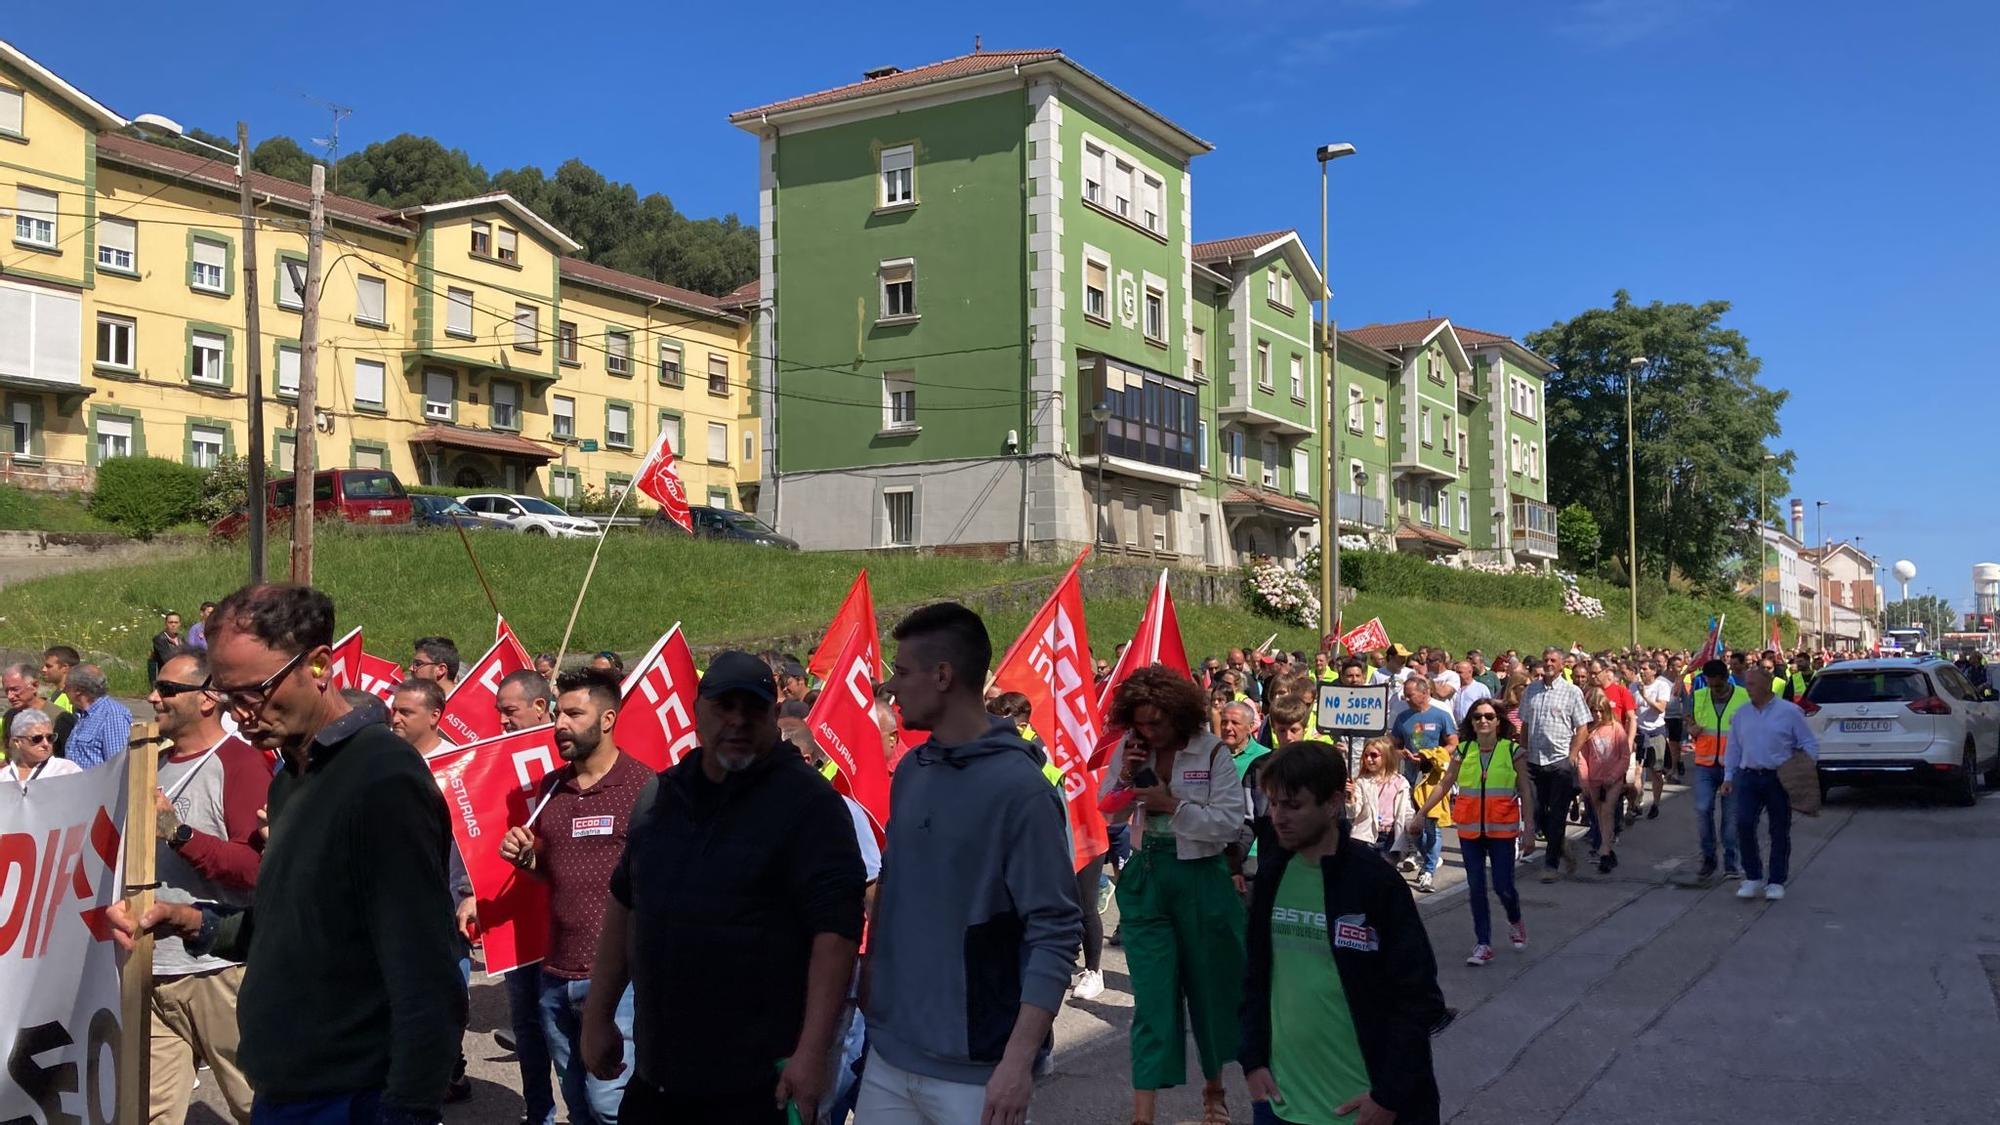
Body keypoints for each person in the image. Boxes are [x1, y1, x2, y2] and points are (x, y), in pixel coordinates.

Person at [109, 582, 465, 1124]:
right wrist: (191, 921)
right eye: (227, 695)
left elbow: (425, 970)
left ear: (319, 665)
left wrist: (409, 1107)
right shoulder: (293, 776)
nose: (240, 712)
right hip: (286, 1087)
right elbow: (294, 928)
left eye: (254, 691)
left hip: (353, 1096)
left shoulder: (382, 780)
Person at [582, 652, 864, 1124]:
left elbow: (836, 936)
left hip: (757, 1087)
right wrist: (598, 1014)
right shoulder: (661, 796)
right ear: (697, 712)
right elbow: (625, 904)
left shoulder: (810, 806)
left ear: (774, 715)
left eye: (751, 708)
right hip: (659, 1079)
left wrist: (813, 1054)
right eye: (723, 706)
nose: (736, 720)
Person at [858, 603, 1083, 1124]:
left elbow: (1054, 929)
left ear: (942, 676)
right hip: (890, 1057)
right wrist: (873, 978)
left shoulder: (1022, 791)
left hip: (979, 1071)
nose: (892, 686)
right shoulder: (912, 770)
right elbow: (894, 883)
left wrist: (1018, 1061)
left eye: (903, 671)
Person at [1241, 742, 1446, 1125]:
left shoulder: (1375, 881)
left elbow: (1418, 997)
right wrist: (1252, 1059)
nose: (1278, 817)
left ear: (1333, 804)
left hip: (1364, 1108)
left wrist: (1388, 1096)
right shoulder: (1271, 875)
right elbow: (1253, 976)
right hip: (1282, 1104)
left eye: (1293, 805)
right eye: (1274, 804)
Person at [499, 669, 649, 1124]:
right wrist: (528, 861)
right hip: (555, 974)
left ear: (607, 719)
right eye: (558, 712)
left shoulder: (645, 788)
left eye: (573, 713)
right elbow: (557, 872)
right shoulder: (551, 789)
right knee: (579, 1103)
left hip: (620, 979)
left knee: (611, 1106)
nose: (559, 723)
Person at [1100, 666, 1248, 1125]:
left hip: (1201, 877)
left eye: (1157, 722)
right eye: (1140, 722)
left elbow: (1228, 825)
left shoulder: (1213, 751)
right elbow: (1108, 815)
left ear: (1180, 715)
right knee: (1153, 999)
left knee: (1208, 989)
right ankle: (1142, 1115)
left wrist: (1172, 806)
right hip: (1146, 878)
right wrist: (1124, 780)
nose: (1148, 731)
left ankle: (1214, 1089)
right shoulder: (1131, 749)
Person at [145, 647, 266, 1125]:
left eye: (169, 689)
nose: (154, 697)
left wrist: (179, 834)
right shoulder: (149, 763)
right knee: (152, 1111)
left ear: (208, 698)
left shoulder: (240, 763)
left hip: (218, 968)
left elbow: (254, 868)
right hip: (150, 967)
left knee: (256, 1103)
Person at [492, 667, 560, 1125]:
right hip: (516, 920)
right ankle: (539, 1114)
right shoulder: (494, 758)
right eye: (498, 712)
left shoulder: (574, 759)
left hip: (563, 920)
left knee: (565, 1029)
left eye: (509, 711)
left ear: (540, 708)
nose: (501, 721)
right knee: (529, 1029)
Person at [1421, 700, 1533, 965]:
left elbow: (1526, 790)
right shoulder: (1463, 750)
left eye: (1489, 716)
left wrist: (1529, 828)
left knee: (1504, 886)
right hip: (1470, 829)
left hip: (1502, 829)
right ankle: (1483, 943)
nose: (1483, 721)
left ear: (1498, 721)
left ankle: (1515, 919)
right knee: (1476, 887)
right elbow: (1446, 783)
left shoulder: (1512, 750)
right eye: (1478, 717)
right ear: (1471, 722)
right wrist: (1421, 813)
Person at [1722, 665, 1820, 901]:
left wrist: (1803, 771)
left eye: (1752, 684)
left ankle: (1776, 881)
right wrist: (1728, 776)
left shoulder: (1790, 712)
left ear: (1767, 685)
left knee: (1778, 829)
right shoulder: (1742, 714)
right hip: (1748, 777)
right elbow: (1734, 747)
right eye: (1747, 684)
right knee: (1744, 824)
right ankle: (1753, 877)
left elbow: (1809, 743)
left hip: (1779, 778)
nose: (1748, 689)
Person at [1519, 648, 1590, 884]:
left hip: (1559, 761)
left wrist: (1572, 756)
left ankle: (1551, 864)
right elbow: (1526, 725)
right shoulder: (1532, 690)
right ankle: (1560, 843)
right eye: (1546, 660)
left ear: (1562, 666)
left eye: (1553, 660)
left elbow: (1582, 728)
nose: (1548, 664)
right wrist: (1522, 750)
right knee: (1536, 812)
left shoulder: (1572, 692)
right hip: (1534, 760)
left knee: (1557, 813)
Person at [1390, 677, 1455, 893]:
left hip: (1434, 778)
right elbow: (1394, 746)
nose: (1406, 698)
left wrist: (1433, 755)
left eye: (1410, 694)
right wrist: (1401, 753)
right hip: (1410, 778)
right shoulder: (1402, 718)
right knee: (1412, 826)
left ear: (1425, 692)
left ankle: (1428, 872)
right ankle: (1429, 858)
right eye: (1405, 695)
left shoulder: (1441, 715)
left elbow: (1453, 743)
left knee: (1431, 825)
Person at [1688, 659, 1746, 882]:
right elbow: (1689, 720)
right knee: (1703, 810)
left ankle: (1731, 862)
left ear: (1726, 679)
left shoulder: (1742, 697)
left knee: (1730, 818)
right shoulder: (1701, 696)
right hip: (1705, 764)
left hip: (1733, 767)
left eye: (1718, 685)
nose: (1714, 690)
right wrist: (1691, 727)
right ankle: (1708, 858)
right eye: (1710, 685)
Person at [1573, 689, 1630, 875]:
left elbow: (1624, 756)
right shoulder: (1587, 731)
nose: (1597, 714)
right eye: (1593, 710)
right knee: (1599, 815)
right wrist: (1585, 781)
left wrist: (1614, 776)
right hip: (1594, 780)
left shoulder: (1616, 729)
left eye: (1600, 710)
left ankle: (1605, 850)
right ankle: (1607, 847)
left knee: (1607, 811)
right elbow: (1582, 757)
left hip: (1612, 780)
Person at [63, 664, 133, 770]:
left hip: (98, 785)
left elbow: (118, 766)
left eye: (67, 686)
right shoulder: (82, 715)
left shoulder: (112, 716)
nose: (63, 691)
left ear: (78, 690)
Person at [3, 660, 74, 751]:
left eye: (15, 689)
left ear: (34, 686)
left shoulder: (59, 717)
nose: (10, 696)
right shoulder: (10, 716)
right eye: (7, 691)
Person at [6, 708, 78, 788]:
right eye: (37, 739)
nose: (46, 744)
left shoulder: (67, 770)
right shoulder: (4, 775)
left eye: (50, 737)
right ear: (17, 742)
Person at [1636, 660, 1672, 819]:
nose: (1642, 671)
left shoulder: (1661, 686)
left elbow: (1660, 709)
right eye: (1640, 669)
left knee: (1656, 771)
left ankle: (1655, 803)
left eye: (1644, 669)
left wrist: (1645, 696)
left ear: (1653, 671)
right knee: (1636, 771)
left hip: (1655, 732)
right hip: (1639, 732)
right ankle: (1636, 802)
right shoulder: (1633, 687)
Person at [148, 611, 185, 683]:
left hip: (180, 675)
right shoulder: (159, 639)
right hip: (164, 677)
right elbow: (166, 659)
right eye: (170, 622)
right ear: (166, 624)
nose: (173, 625)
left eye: (176, 622)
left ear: (180, 624)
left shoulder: (181, 639)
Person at [40, 644, 79, 714]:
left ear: (65, 667)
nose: (43, 669)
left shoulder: (73, 698)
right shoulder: (57, 693)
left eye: (48, 666)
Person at [1451, 660, 1491, 725]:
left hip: (1473, 726)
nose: (1456, 674)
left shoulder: (1481, 689)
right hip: (1455, 727)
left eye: (1460, 672)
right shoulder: (1452, 687)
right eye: (1456, 672)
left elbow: (1488, 708)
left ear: (1470, 672)